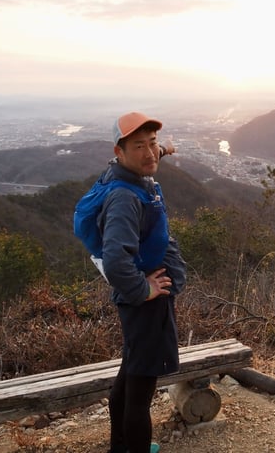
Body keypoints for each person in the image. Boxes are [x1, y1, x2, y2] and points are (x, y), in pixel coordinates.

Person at [97, 111, 186, 453]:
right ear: (119, 152)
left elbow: (150, 154)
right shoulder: (125, 197)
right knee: (140, 393)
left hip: (141, 304)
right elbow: (116, 261)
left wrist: (166, 150)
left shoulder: (126, 174)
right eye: (140, 146)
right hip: (147, 305)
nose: (150, 153)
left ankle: (119, 447)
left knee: (128, 378)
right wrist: (144, 290)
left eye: (153, 144)